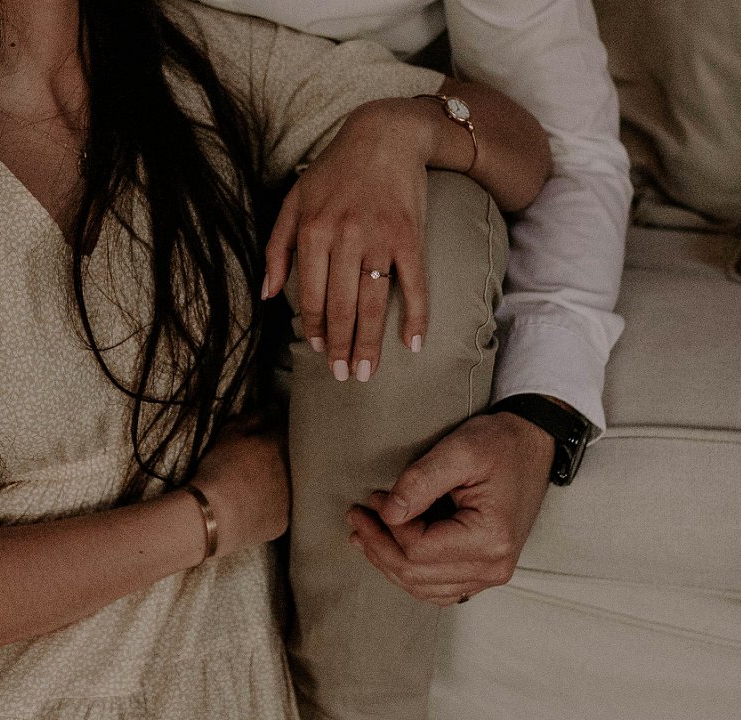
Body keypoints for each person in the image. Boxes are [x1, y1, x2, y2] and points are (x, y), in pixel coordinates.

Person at [0, 1, 550, 718]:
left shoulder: (190, 63)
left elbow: (524, 151)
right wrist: (208, 518)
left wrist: (397, 129)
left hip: (210, 681)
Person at [197, 1, 632, 719]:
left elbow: (562, 148)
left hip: (369, 122)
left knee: (406, 297)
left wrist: (541, 414)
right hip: (125, 90)